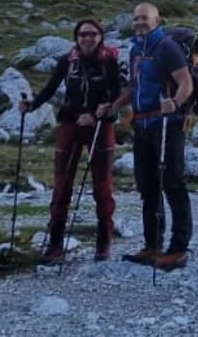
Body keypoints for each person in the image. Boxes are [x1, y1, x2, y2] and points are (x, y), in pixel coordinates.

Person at [20, 19, 124, 264]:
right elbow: (50, 88)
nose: (87, 39)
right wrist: (31, 105)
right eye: (83, 34)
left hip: (101, 124)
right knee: (62, 184)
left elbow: (117, 93)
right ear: (76, 38)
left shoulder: (110, 61)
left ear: (101, 37)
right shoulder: (67, 61)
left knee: (102, 185)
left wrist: (101, 111)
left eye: (93, 34)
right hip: (70, 123)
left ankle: (104, 241)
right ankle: (55, 243)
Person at [110, 3, 195, 271]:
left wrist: (176, 102)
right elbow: (134, 86)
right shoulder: (136, 49)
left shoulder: (166, 47)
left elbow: (186, 83)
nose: (139, 22)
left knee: (172, 183)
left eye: (144, 18)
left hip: (166, 123)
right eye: (136, 18)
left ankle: (179, 247)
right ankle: (152, 244)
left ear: (157, 20)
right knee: (147, 185)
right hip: (142, 124)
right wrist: (115, 105)